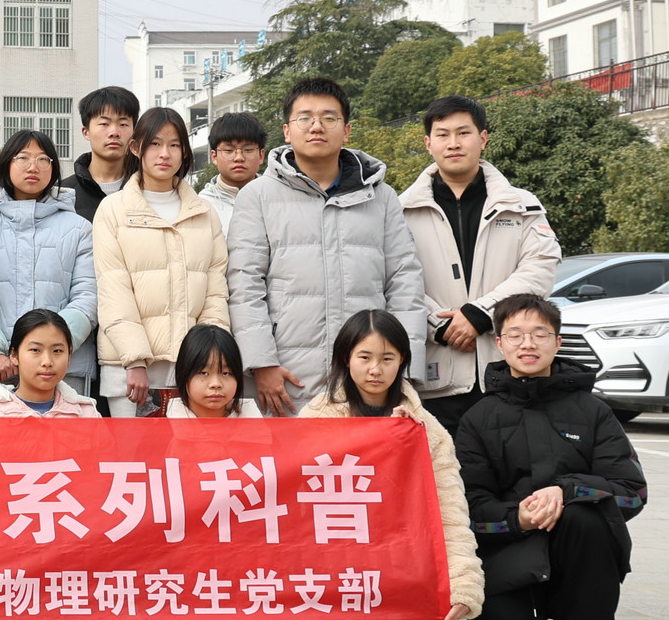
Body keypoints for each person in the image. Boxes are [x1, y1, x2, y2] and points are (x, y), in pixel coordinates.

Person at [456, 294, 646, 620]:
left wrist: (567, 490)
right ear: (499, 343)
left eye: (540, 334)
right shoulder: (478, 417)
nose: (528, 344)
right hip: (510, 546)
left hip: (578, 546)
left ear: (557, 342)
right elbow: (468, 504)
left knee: (585, 515)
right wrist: (517, 519)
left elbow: (632, 492)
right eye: (516, 335)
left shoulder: (593, 411)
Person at [300, 310, 481, 620]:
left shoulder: (425, 428)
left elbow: (450, 513)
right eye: (364, 357)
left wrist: (463, 585)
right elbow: (293, 500)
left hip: (403, 545)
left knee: (419, 541)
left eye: (387, 358)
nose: (375, 370)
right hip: (341, 542)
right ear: (345, 358)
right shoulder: (315, 418)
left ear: (402, 361)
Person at [226, 77, 425, 416]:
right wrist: (261, 363)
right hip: (287, 377)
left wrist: (405, 370)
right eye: (305, 117)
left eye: (329, 118)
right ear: (287, 131)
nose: (316, 126)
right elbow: (244, 285)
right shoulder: (257, 196)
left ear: (346, 131)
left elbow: (405, 283)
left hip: (369, 378)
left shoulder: (381, 197)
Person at [402, 96, 562, 434]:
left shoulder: (522, 206)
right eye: (443, 134)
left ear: (483, 138)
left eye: (464, 133)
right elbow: (395, 277)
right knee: (443, 464)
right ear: (428, 143)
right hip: (435, 373)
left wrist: (480, 314)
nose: (454, 143)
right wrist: (439, 325)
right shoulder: (401, 211)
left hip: (508, 370)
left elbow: (540, 266)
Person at [0, 311, 110, 620]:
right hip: (11, 548)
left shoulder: (86, 413)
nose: (47, 361)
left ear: (70, 356)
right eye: (35, 350)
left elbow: (106, 485)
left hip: (73, 545)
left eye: (57, 351)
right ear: (14, 356)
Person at [95, 108, 230, 417]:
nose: (165, 154)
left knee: (193, 449)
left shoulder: (204, 212)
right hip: (130, 370)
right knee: (135, 449)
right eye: (155, 144)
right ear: (136, 148)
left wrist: (209, 357)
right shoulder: (113, 209)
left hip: (194, 367)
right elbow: (113, 289)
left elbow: (215, 291)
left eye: (174, 144)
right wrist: (135, 359)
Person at [147, 325, 265, 620]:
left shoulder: (257, 426)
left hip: (238, 530)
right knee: (172, 559)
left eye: (226, 373)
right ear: (183, 377)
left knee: (245, 561)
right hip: (181, 530)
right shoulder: (160, 424)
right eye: (203, 373)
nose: (216, 384)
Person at [0, 129, 98, 400]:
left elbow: (88, 297)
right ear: (6, 164)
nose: (33, 167)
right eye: (23, 158)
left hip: (64, 370)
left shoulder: (79, 229)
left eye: (43, 159)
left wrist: (53, 350)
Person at [60, 86, 138, 223]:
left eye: (123, 124)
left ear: (134, 132)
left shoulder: (148, 188)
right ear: (86, 132)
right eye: (104, 124)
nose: (114, 132)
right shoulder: (63, 193)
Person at [199, 111, 268, 233]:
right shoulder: (201, 205)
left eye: (248, 150)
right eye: (229, 150)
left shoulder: (276, 198)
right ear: (214, 157)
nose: (239, 158)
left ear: (261, 156)